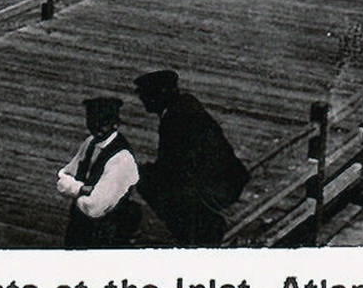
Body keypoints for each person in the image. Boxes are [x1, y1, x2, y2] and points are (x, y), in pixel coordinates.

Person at [131, 69, 248, 246]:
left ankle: (197, 233)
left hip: (217, 186)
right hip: (227, 177)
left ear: (160, 95)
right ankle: (200, 227)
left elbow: (174, 166)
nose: (143, 100)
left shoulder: (174, 119)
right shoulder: (185, 106)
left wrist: (144, 171)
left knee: (148, 182)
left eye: (146, 95)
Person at [55, 96, 143, 248]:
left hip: (106, 235)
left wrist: (74, 193)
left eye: (103, 122)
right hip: (80, 228)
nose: (97, 127)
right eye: (92, 121)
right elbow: (62, 178)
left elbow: (95, 208)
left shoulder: (121, 158)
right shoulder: (90, 143)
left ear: (115, 123)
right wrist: (81, 189)